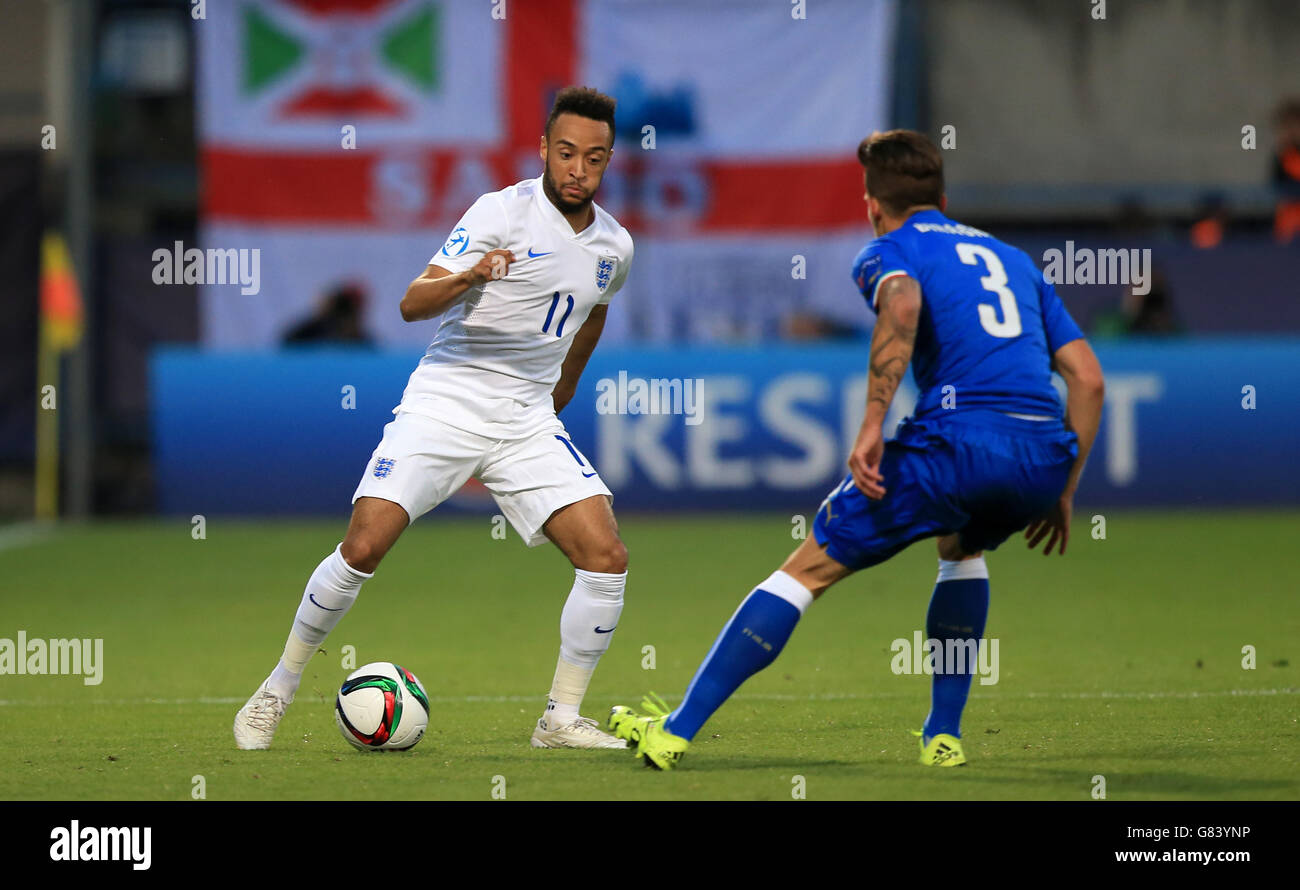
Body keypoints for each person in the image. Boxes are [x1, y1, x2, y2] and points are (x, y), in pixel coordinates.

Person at [608, 130, 1105, 770]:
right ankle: (943, 737)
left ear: (873, 204)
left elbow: (902, 303)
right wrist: (1061, 488)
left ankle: (674, 732)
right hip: (1040, 454)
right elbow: (1088, 379)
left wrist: (873, 423)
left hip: (955, 447)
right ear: (943, 198)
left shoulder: (888, 251)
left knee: (807, 568)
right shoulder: (1013, 259)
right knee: (963, 547)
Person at [234, 86, 635, 751]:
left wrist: (561, 389)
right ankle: (277, 688)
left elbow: (594, 312)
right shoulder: (499, 212)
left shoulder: (614, 246)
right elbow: (411, 304)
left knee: (606, 556)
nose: (577, 170)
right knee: (363, 546)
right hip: (446, 400)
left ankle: (560, 720)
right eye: (565, 153)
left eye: (593, 159)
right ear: (543, 149)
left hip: (524, 418)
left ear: (608, 161)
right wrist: (472, 275)